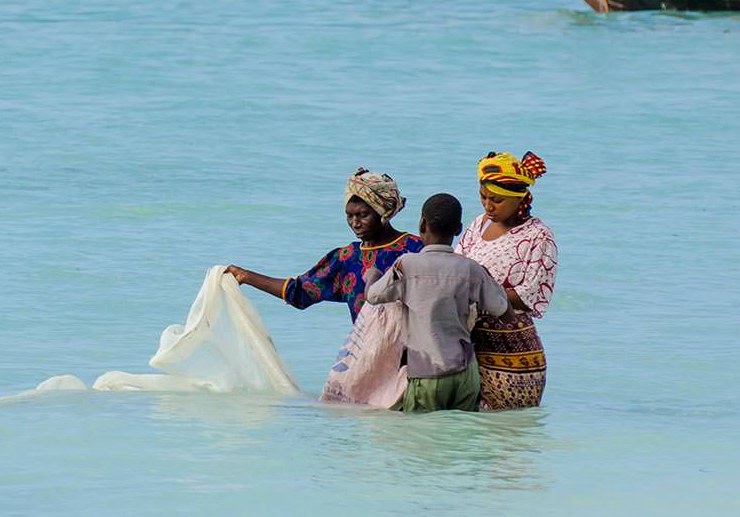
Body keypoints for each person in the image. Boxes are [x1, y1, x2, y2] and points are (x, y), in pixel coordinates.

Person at [365, 194, 508, 413]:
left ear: (422, 224)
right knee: (460, 438)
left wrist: (372, 276)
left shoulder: (406, 265)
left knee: (422, 440)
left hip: (426, 374)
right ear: (459, 229)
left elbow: (374, 296)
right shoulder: (470, 268)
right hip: (465, 374)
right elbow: (501, 308)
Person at [227, 168, 422, 322]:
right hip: (368, 356)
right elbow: (300, 293)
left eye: (363, 215)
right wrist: (245, 276)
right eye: (350, 215)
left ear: (383, 213)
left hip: (417, 357)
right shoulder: (346, 258)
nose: (355, 223)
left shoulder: (415, 249)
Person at [456, 152, 559, 411]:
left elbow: (530, 294)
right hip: (470, 343)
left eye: (497, 200)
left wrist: (481, 292)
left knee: (506, 438)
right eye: (483, 197)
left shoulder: (539, 235)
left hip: (513, 355)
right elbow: (456, 267)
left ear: (519, 198)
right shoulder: (477, 225)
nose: (488, 206)